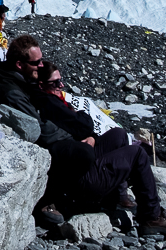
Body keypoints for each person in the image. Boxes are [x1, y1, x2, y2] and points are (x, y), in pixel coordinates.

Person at [0, 35, 166, 236]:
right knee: (137, 155)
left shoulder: (23, 83)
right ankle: (151, 217)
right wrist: (80, 141)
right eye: (36, 62)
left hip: (71, 154)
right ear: (19, 64)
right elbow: (40, 131)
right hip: (72, 167)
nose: (41, 65)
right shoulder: (15, 92)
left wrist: (88, 137)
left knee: (119, 135)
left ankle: (112, 199)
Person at [31, 61, 135, 211]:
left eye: (60, 81)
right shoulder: (49, 102)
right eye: (55, 83)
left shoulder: (57, 100)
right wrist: (80, 114)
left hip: (83, 146)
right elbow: (83, 125)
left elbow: (82, 128)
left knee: (119, 134)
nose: (61, 86)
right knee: (135, 152)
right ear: (42, 85)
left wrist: (93, 137)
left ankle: (119, 195)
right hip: (78, 159)